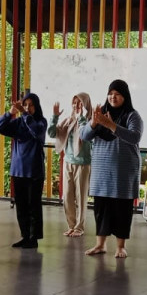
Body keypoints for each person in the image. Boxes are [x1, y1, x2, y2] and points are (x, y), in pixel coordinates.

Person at [80, 80, 144, 258]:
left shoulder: (132, 116)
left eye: (117, 94)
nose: (113, 97)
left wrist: (110, 125)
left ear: (125, 96)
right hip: (102, 171)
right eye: (110, 94)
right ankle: (100, 244)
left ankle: (120, 246)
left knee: (122, 208)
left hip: (123, 172)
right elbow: (84, 136)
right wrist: (94, 123)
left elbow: (134, 137)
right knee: (102, 208)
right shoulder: (100, 114)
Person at [0, 92, 49, 249]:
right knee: (21, 206)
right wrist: (10, 113)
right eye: (25, 105)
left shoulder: (41, 122)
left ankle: (34, 237)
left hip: (34, 170)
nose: (28, 107)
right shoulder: (18, 122)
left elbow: (36, 132)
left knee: (34, 205)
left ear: (36, 106)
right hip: (18, 170)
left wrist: (25, 114)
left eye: (31, 105)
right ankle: (25, 236)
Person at [49, 93, 93, 237]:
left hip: (83, 164)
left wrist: (81, 117)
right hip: (68, 162)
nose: (76, 106)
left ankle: (79, 227)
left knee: (81, 197)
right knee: (67, 197)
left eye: (80, 103)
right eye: (74, 103)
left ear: (85, 105)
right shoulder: (68, 120)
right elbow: (51, 133)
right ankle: (72, 225)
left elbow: (84, 135)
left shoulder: (91, 121)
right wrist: (55, 117)